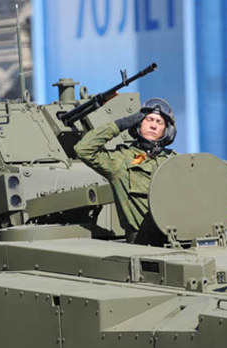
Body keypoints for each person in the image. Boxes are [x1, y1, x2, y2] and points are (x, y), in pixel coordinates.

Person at [73, 98, 177, 244]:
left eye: (159, 122)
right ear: (138, 124)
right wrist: (120, 124)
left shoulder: (172, 160)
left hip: (177, 240)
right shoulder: (120, 160)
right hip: (142, 243)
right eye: (149, 120)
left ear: (167, 130)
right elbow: (83, 149)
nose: (153, 125)